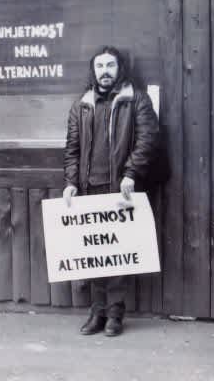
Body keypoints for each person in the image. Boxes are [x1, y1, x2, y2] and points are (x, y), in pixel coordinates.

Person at [63, 46, 160, 336]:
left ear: (120, 69)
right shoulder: (82, 105)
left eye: (110, 65)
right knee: (94, 252)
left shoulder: (136, 99)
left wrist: (131, 173)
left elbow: (147, 140)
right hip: (89, 188)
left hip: (121, 190)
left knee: (118, 252)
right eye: (100, 66)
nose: (104, 71)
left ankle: (115, 314)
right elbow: (72, 149)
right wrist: (71, 182)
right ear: (93, 70)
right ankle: (97, 312)